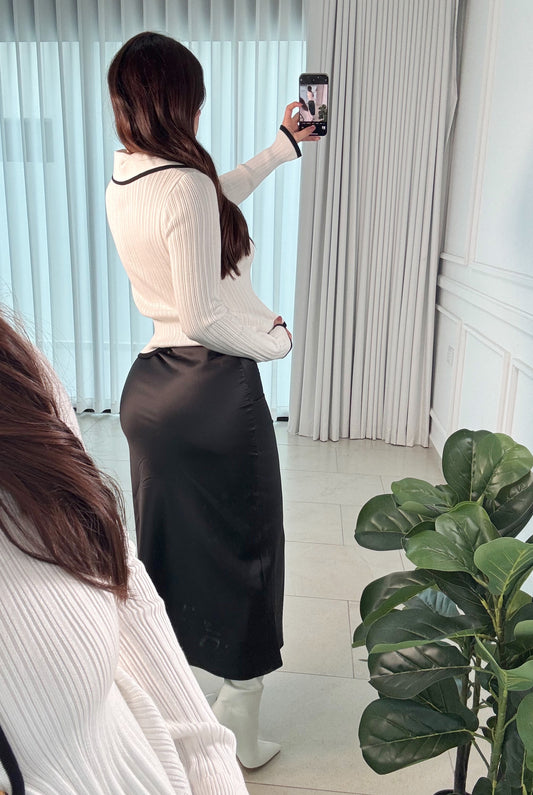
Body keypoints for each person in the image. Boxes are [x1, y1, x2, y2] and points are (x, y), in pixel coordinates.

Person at [105, 31, 318, 769]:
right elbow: (201, 316)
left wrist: (281, 149)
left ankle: (173, 706)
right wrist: (273, 341)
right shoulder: (185, 185)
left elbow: (206, 201)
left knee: (172, 554)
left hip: (151, 394)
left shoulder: (130, 173)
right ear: (182, 102)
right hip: (210, 390)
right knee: (248, 549)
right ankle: (242, 729)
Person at [0, 313, 248, 794]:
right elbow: (206, 311)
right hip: (206, 381)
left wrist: (207, 755)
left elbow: (110, 559)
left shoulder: (14, 371)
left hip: (136, 766)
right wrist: (274, 340)